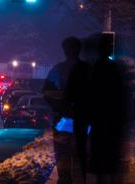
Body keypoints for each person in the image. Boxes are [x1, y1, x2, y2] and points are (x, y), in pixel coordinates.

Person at [44, 36, 90, 184]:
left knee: (62, 151)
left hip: (62, 118)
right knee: (79, 152)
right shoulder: (87, 69)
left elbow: (47, 92)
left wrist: (57, 105)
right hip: (83, 118)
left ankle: (65, 179)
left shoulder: (58, 69)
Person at [87, 32, 130, 183]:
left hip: (98, 123)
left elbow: (89, 97)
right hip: (112, 123)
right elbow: (122, 98)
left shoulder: (94, 69)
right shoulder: (116, 69)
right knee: (111, 164)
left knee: (100, 164)